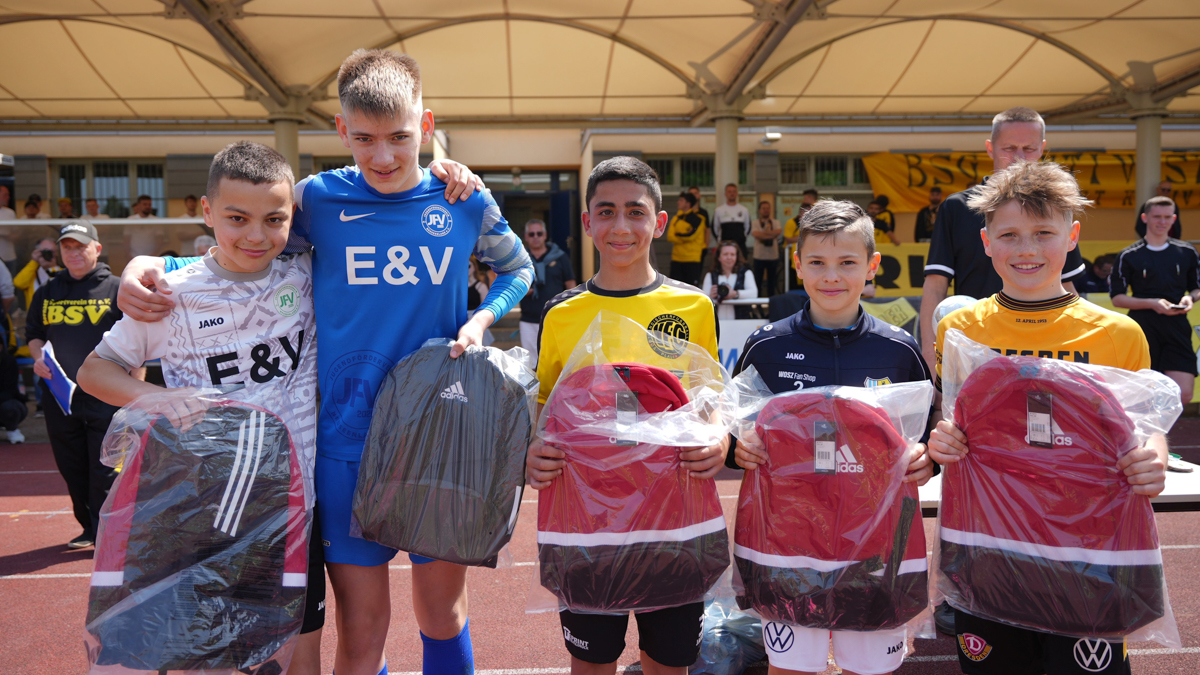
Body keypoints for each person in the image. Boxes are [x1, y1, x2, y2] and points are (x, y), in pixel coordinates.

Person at [117, 49, 528, 675]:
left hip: (442, 436)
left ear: (425, 121)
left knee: (441, 615)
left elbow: (517, 268)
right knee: (362, 631)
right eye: (364, 138)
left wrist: (479, 318)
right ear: (341, 129)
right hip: (341, 446)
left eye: (399, 136)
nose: (383, 156)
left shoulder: (464, 199)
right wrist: (148, 267)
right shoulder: (315, 200)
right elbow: (247, 252)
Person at [77, 141, 327, 675]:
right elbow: (93, 373)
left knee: (301, 652)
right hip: (203, 513)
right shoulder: (172, 294)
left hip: (293, 507)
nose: (256, 235)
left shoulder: (306, 274)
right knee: (209, 657)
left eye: (274, 219)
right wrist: (159, 397)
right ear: (207, 212)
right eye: (237, 218)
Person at [928, 160, 1167, 675]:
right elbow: (954, 425)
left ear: (1072, 236)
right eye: (1010, 235)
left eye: (1043, 233)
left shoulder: (1118, 333)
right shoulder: (962, 329)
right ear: (986, 241)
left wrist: (1154, 459)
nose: (1027, 249)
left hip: (1088, 550)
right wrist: (942, 441)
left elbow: (1144, 428)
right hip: (989, 547)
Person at [527, 156, 726, 675]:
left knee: (668, 663)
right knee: (592, 663)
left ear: (659, 222)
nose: (621, 227)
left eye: (636, 212)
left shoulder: (693, 307)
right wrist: (532, 450)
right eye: (606, 212)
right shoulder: (562, 313)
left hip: (673, 522)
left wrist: (719, 440)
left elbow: (711, 402)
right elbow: (547, 413)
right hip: (588, 527)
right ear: (588, 223)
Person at [732, 199, 934, 675]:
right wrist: (739, 446)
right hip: (788, 544)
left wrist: (928, 458)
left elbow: (924, 434)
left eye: (847, 263)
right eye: (818, 263)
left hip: (876, 547)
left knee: (872, 670)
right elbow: (736, 425)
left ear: (872, 267)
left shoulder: (899, 350)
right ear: (798, 265)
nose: (832, 276)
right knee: (791, 669)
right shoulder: (767, 344)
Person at [919, 106, 1086, 369]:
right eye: (1009, 148)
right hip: (976, 345)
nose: (1019, 157)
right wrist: (932, 362)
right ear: (990, 148)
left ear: (1042, 148)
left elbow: (1069, 286)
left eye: (1028, 148)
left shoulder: (1056, 206)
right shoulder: (958, 206)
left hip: (1047, 346)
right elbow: (935, 287)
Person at [26, 220, 124, 550]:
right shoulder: (47, 292)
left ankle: (106, 531)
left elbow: (138, 341)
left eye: (80, 246)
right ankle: (87, 529)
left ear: (96, 248)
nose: (73, 253)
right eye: (67, 247)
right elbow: (34, 335)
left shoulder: (117, 287)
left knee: (105, 467)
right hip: (60, 396)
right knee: (72, 466)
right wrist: (38, 357)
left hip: (106, 393)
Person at [1111, 195, 1199, 412]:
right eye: (1157, 216)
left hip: (1178, 327)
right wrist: (1152, 303)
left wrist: (1190, 299)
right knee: (1143, 394)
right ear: (1145, 218)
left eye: (1167, 217)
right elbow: (1117, 298)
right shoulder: (1128, 255)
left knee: (1184, 393)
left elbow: (1196, 288)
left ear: (1174, 218)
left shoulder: (1186, 252)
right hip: (1142, 327)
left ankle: (1158, 434)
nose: (1162, 222)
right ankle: (1151, 441)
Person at [518, 218, 576, 361]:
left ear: (545, 235)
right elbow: (510, 284)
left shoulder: (560, 257)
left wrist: (572, 310)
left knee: (556, 359)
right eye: (531, 234)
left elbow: (570, 284)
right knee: (531, 362)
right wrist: (521, 291)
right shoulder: (519, 259)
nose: (536, 237)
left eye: (539, 233)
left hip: (555, 318)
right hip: (529, 319)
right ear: (526, 237)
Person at [702, 240, 757, 322]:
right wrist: (710, 296)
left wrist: (735, 294)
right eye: (725, 254)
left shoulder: (746, 273)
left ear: (737, 257)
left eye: (732, 254)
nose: (729, 257)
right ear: (719, 257)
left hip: (741, 323)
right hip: (716, 324)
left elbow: (754, 293)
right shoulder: (710, 275)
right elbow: (702, 301)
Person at [666, 191, 707, 286]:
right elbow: (670, 237)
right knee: (674, 290)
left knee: (691, 290)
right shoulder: (676, 218)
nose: (678, 202)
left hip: (692, 259)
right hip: (676, 259)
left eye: (681, 200)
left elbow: (691, 236)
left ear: (688, 204)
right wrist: (682, 236)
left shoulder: (699, 219)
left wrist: (678, 235)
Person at [14, 238, 62, 310]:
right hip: (36, 319)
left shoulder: (64, 273)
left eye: (51, 251)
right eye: (44, 252)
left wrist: (52, 267)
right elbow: (18, 283)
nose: (47, 254)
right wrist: (34, 262)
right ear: (38, 253)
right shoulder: (32, 274)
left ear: (56, 253)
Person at [784, 189, 820, 279]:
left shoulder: (818, 210)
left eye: (805, 197)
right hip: (795, 255)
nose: (804, 199)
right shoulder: (793, 221)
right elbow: (788, 238)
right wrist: (806, 237)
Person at [750, 200, 781, 295]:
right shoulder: (755, 222)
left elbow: (778, 232)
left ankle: (771, 301)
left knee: (772, 281)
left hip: (773, 256)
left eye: (768, 208)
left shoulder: (775, 222)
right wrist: (771, 234)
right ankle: (757, 302)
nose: (766, 210)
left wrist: (763, 234)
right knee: (757, 280)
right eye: (763, 208)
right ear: (759, 210)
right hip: (759, 256)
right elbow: (756, 235)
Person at [713, 182, 751, 256]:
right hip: (724, 245)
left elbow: (748, 227)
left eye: (734, 191)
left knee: (742, 266)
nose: (732, 194)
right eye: (729, 192)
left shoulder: (744, 210)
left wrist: (742, 237)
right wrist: (720, 239)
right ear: (725, 194)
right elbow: (715, 228)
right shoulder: (719, 210)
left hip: (740, 245)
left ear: (737, 193)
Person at [0, 185, 14, 275]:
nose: (8, 198)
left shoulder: (10, 213)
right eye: (5, 195)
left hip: (9, 256)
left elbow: (16, 235)